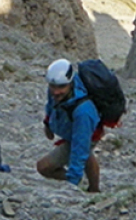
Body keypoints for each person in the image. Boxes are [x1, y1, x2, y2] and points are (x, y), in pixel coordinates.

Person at [36, 58, 101, 192]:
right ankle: (94, 190)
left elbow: (79, 149)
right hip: (74, 130)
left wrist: (72, 185)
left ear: (70, 83)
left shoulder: (83, 111)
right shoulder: (57, 89)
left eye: (61, 87)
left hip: (87, 130)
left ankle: (87, 187)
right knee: (86, 152)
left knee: (44, 167)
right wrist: (48, 123)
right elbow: (51, 105)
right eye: (53, 86)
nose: (55, 91)